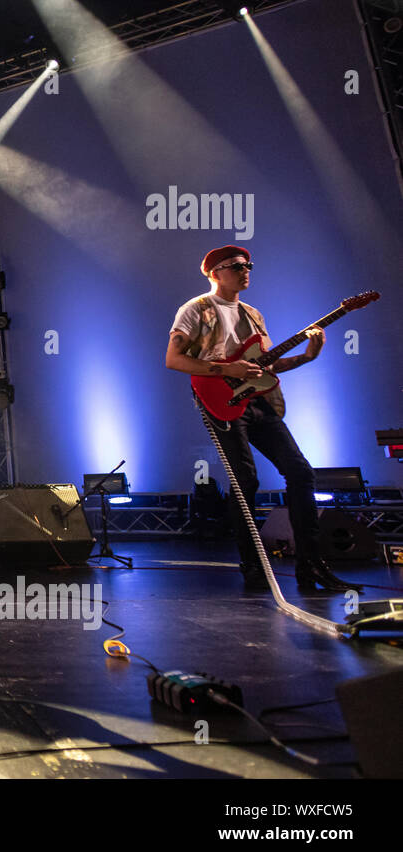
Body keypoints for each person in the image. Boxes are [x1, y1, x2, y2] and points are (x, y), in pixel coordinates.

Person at [165, 245, 357, 593]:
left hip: (258, 400)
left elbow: (266, 365)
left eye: (248, 265)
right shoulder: (196, 309)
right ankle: (253, 569)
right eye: (237, 266)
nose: (246, 270)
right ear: (215, 272)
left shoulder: (253, 313)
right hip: (219, 400)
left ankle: (311, 565)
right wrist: (226, 368)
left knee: (300, 471)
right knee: (246, 481)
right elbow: (174, 359)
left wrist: (307, 356)